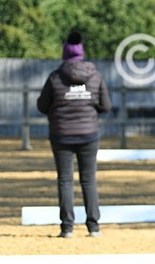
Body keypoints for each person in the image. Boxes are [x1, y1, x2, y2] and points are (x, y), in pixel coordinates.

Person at [36, 30, 111, 238]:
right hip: (89, 134)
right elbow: (105, 106)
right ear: (81, 53)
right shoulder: (95, 76)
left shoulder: (55, 77)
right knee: (89, 179)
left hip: (62, 135)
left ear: (65, 54)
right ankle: (93, 226)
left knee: (65, 180)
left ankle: (67, 227)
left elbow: (42, 105)